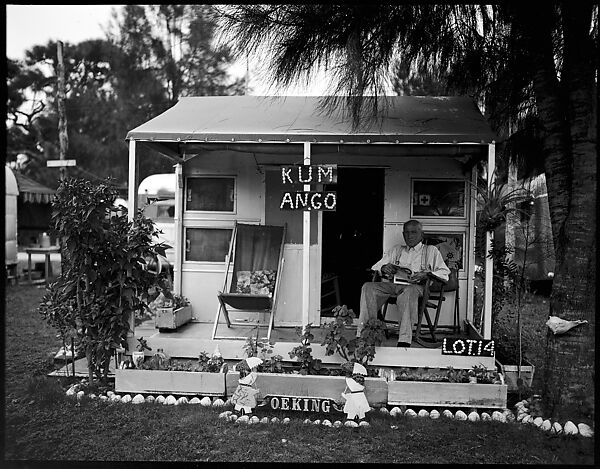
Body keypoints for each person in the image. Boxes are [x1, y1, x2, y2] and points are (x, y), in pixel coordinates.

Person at [356, 220, 450, 347]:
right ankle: (365, 334)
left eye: (413, 232)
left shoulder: (431, 251)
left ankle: (404, 340)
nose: (409, 236)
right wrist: (384, 267)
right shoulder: (397, 250)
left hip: (417, 287)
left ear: (421, 234)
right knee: (368, 287)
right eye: (406, 233)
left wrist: (426, 274)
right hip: (394, 285)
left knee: (408, 292)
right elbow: (376, 266)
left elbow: (444, 272)